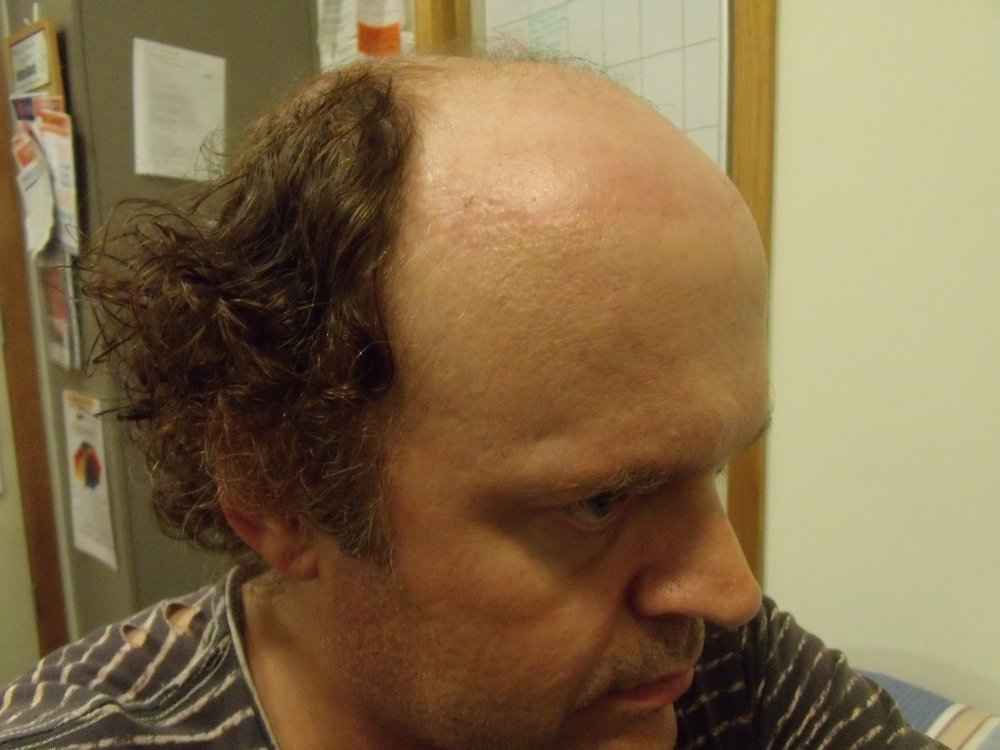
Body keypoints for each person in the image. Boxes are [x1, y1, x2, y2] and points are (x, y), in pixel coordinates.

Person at [0, 55, 944, 750]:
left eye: (718, 465)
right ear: (277, 490)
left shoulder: (716, 676)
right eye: (598, 502)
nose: (731, 593)